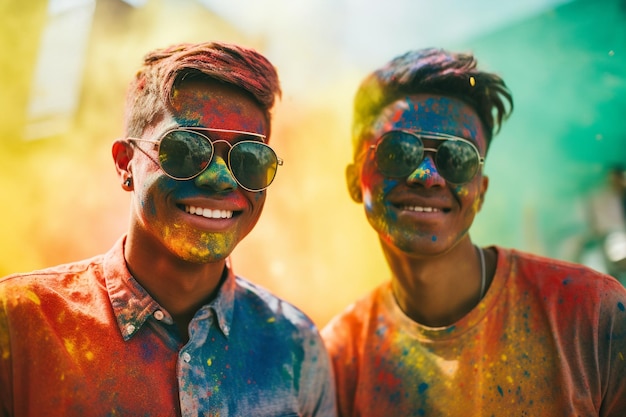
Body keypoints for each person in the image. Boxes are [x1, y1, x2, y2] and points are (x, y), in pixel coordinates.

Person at [0, 42, 336, 417]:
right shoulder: (20, 324)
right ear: (125, 163)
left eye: (250, 158)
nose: (221, 179)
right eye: (186, 149)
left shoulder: (295, 348)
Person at [321, 47, 626, 416]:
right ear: (356, 181)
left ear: (480, 191)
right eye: (399, 152)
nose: (428, 177)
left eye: (457, 157)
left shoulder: (592, 315)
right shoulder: (338, 357)